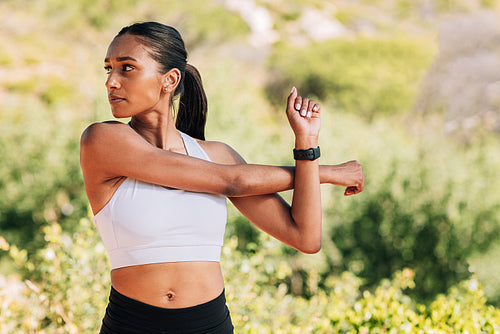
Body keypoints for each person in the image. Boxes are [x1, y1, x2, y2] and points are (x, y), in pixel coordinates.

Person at [80, 21, 364, 334]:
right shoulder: (102, 141)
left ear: (169, 80)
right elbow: (232, 182)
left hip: (210, 325)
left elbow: (305, 238)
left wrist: (307, 144)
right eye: (108, 69)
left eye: (126, 68)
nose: (111, 82)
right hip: (132, 324)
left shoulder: (215, 155)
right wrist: (329, 173)